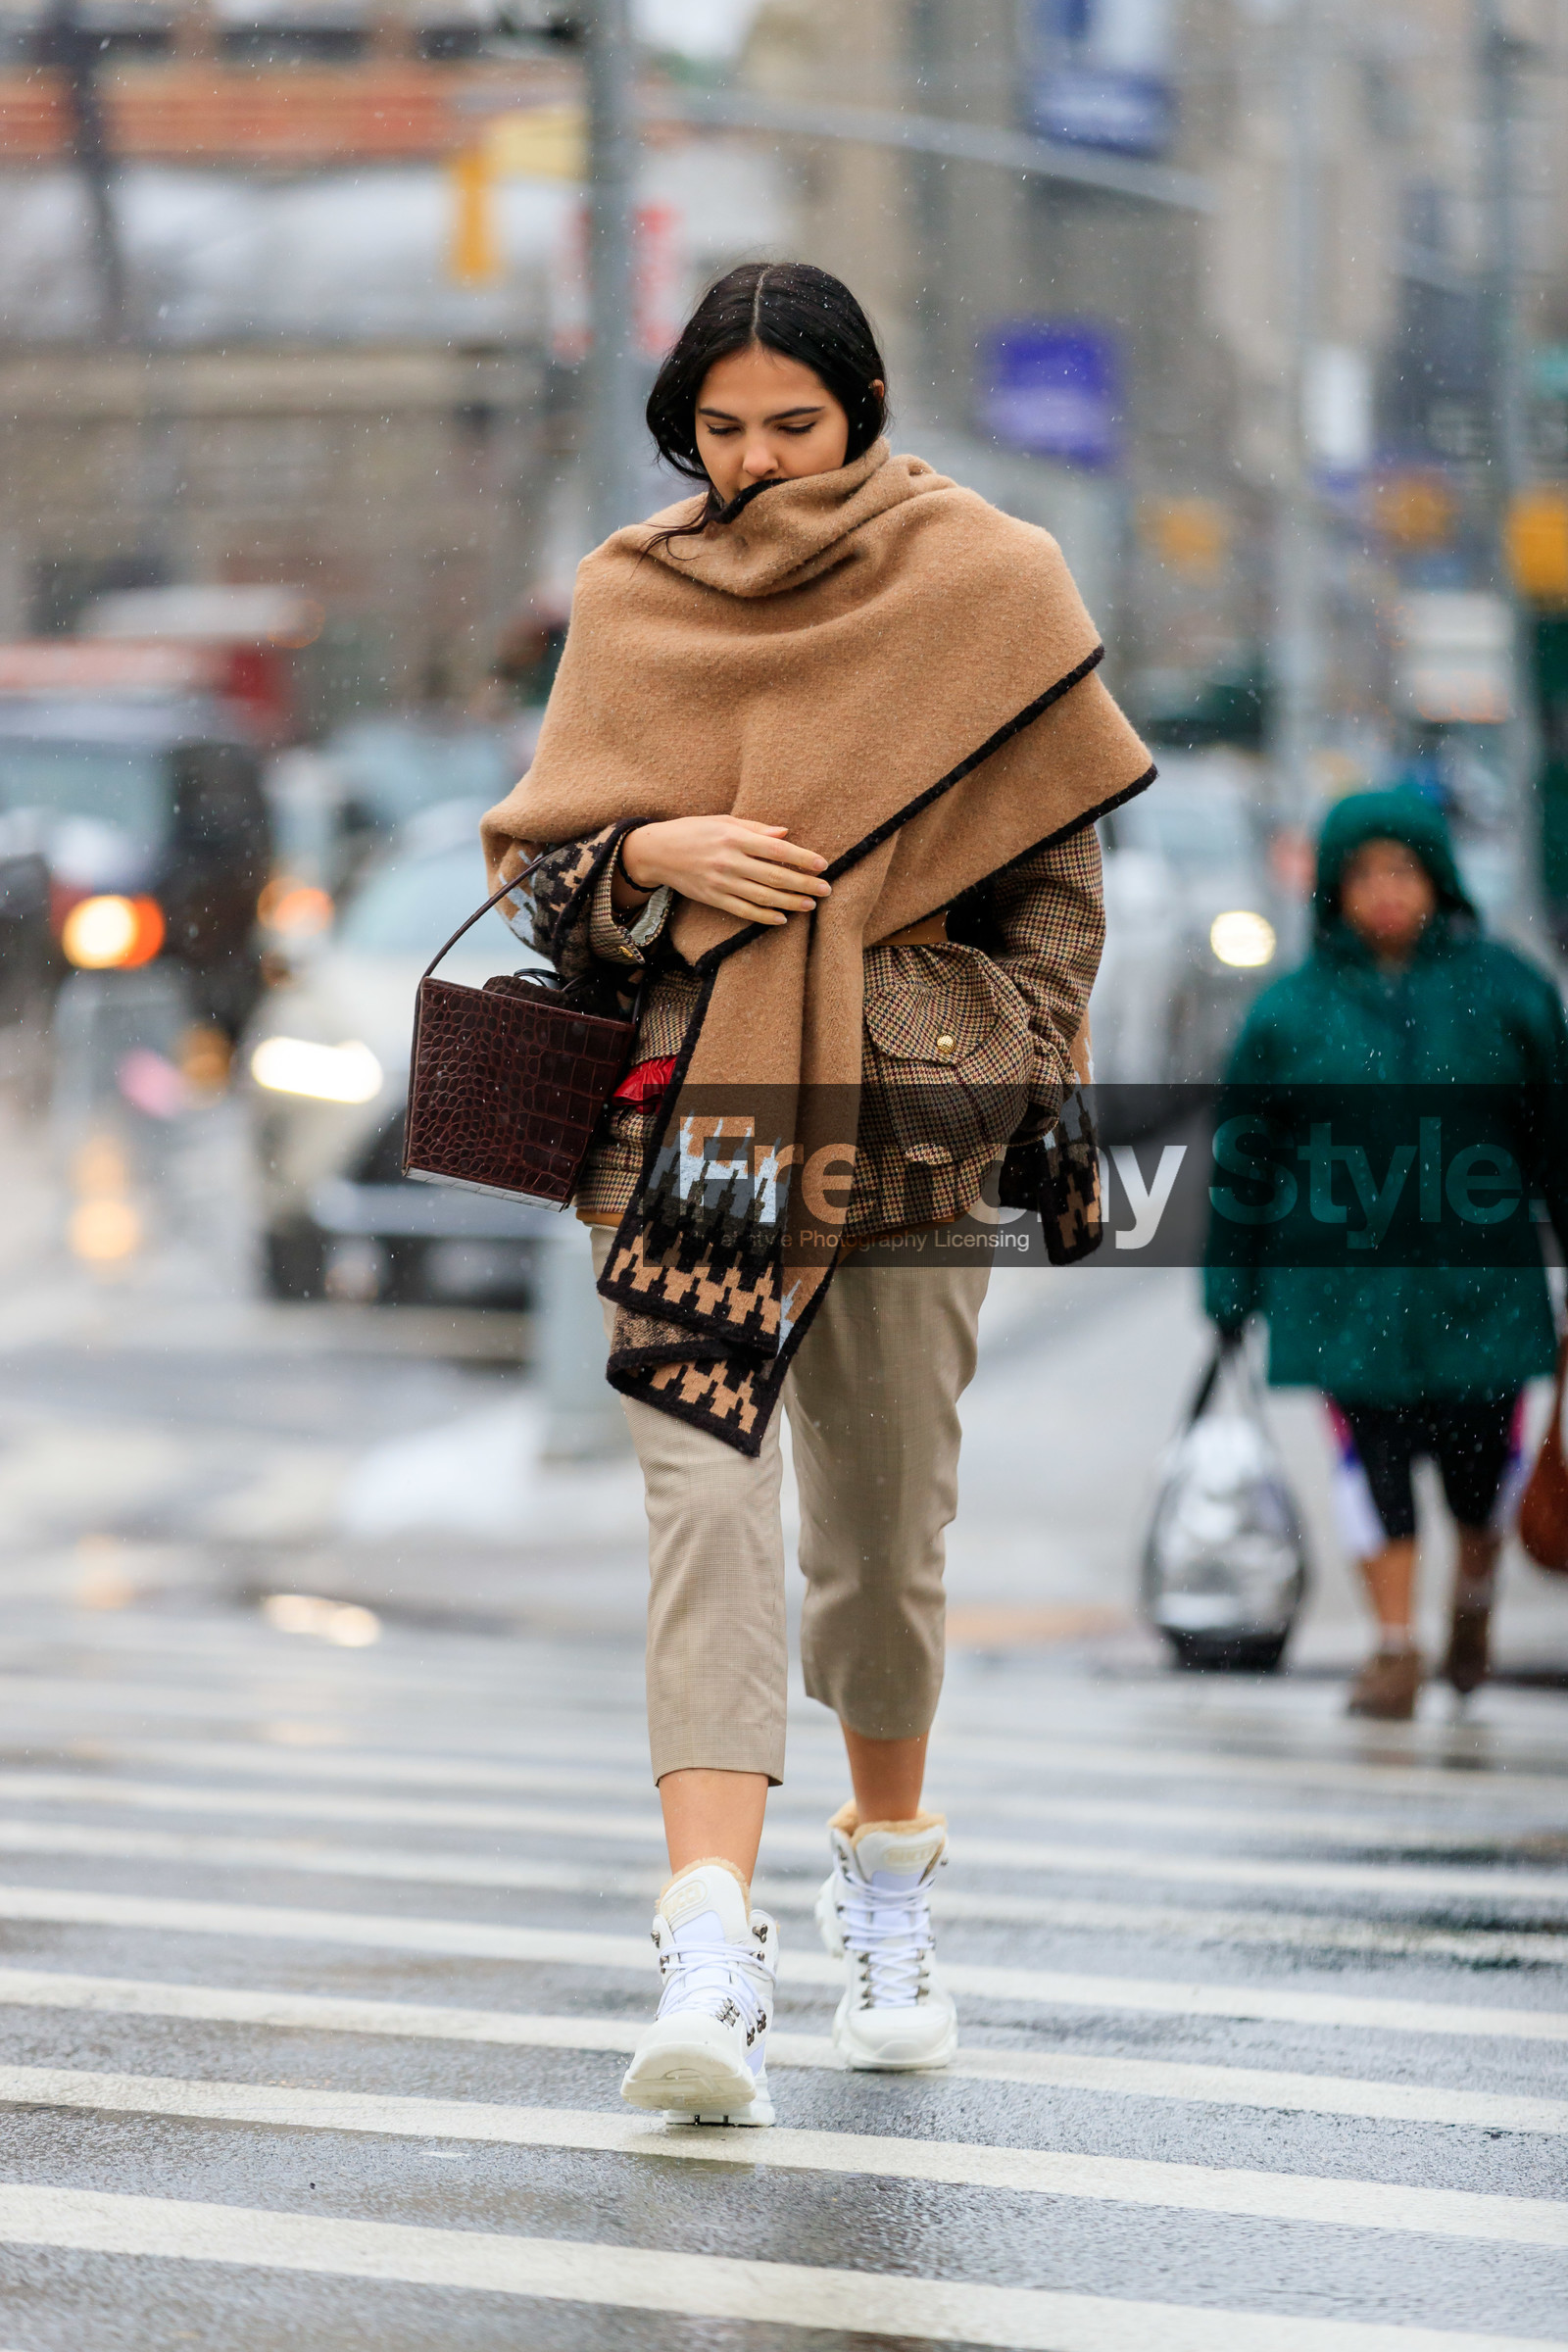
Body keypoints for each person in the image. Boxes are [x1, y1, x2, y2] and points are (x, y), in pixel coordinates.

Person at [482, 262, 1152, 2123]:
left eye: (794, 421)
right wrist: (653, 854)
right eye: (721, 428)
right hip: (691, 1121)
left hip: (908, 1125)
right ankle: (709, 1947)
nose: (757, 460)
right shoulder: (637, 593)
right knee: (705, 1501)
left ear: (863, 408)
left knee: (881, 1530)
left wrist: (983, 1045)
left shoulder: (991, 581)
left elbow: (1059, 905)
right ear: (679, 429)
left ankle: (888, 1887)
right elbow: (542, 876)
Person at [1205, 788, 1568, 1720]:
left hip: (1481, 1286)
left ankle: (1473, 1597)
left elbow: (1558, 1140)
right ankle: (1396, 1646)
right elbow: (1243, 1159)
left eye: (1402, 869)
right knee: (1373, 1465)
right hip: (1342, 1292)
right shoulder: (1289, 1013)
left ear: (1437, 877)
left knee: (1479, 1477)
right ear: (1335, 888)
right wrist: (1228, 1286)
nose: (1385, 891)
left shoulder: (1510, 994)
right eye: (1363, 873)